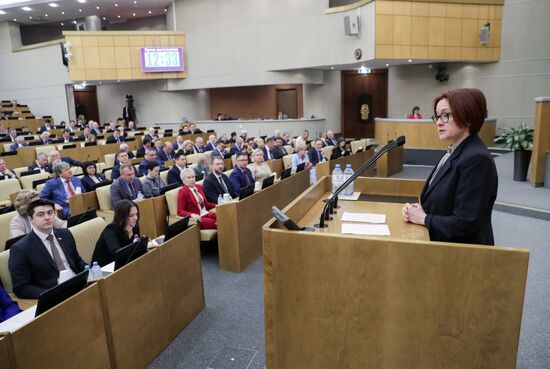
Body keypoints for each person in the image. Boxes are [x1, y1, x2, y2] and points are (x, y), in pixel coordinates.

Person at [401, 88, 498, 245]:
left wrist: (424, 218)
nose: (439, 122)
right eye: (437, 116)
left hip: (462, 257)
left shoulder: (477, 159)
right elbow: (445, 200)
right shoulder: (455, 150)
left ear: (468, 117)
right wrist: (417, 210)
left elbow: (465, 223)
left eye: (446, 115)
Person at [9, 199, 87, 299]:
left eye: (50, 213)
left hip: (79, 284)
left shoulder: (65, 234)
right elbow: (21, 287)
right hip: (55, 295)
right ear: (30, 219)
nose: (47, 217)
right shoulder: (20, 249)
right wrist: (52, 294)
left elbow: (76, 260)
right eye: (40, 214)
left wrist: (90, 272)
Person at [92, 200, 140, 267]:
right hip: (104, 268)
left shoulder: (134, 226)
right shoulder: (110, 230)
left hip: (122, 264)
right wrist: (130, 235)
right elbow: (118, 254)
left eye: (136, 214)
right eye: (131, 215)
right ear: (122, 216)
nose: (135, 218)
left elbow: (136, 247)